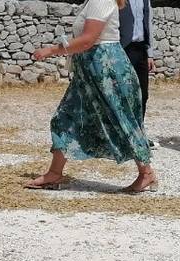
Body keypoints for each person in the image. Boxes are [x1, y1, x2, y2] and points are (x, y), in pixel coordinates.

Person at [27, 0, 156, 193]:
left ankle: (146, 173)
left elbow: (88, 39)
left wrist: (51, 50)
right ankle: (54, 173)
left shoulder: (101, 0)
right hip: (91, 70)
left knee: (122, 120)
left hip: (105, 70)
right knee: (65, 117)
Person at [119, 0, 155, 128]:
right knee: (124, 92)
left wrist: (150, 53)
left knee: (143, 94)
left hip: (142, 50)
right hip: (123, 49)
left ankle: (139, 131)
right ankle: (123, 131)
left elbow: (148, 24)